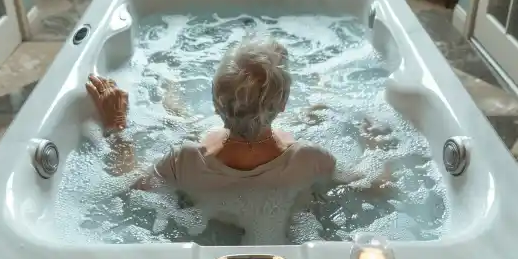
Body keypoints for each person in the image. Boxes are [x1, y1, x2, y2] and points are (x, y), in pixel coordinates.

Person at [86, 38, 337, 191]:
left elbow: (127, 185)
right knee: (310, 117)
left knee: (184, 122)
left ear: (215, 104)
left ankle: (170, 86)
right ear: (283, 104)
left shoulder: (183, 161)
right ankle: (320, 93)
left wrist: (116, 124)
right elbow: (370, 187)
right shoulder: (310, 158)